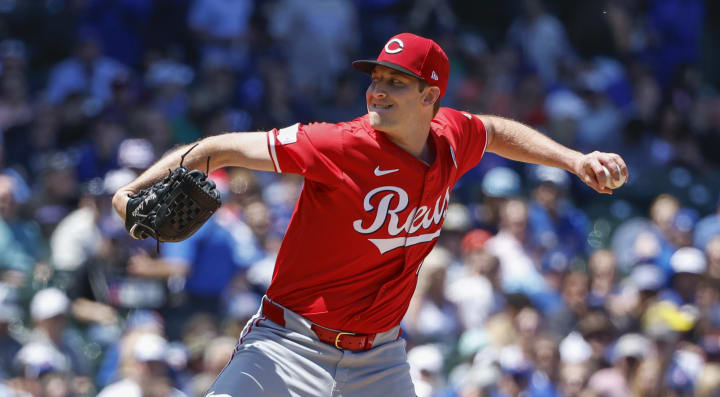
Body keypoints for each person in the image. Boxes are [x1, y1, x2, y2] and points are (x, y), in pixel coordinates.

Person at [112, 33, 629, 396]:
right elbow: (215, 148)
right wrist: (132, 191)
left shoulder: (452, 135)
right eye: (376, 77)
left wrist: (572, 159)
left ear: (431, 97)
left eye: (396, 82)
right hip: (291, 343)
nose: (377, 89)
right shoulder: (338, 145)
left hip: (380, 358)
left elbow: (494, 132)